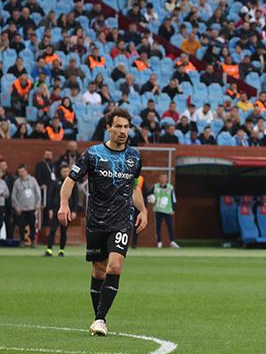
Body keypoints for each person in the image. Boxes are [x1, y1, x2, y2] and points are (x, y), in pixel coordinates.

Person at [58, 108, 147, 337]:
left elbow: (135, 186)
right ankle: (97, 316)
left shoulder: (135, 157)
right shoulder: (93, 154)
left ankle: (100, 319)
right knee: (98, 272)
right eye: (118, 126)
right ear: (108, 127)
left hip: (122, 220)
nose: (123, 131)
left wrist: (143, 210)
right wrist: (64, 204)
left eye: (126, 127)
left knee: (114, 266)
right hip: (96, 221)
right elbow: (71, 179)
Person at [44, 164, 78, 256]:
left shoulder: (73, 184)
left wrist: (74, 211)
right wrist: (50, 209)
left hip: (67, 210)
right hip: (56, 209)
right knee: (52, 230)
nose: (65, 173)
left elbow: (75, 198)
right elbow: (50, 196)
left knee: (64, 231)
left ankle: (61, 250)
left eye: (67, 171)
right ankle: (49, 250)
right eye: (64, 171)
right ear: (60, 172)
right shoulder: (56, 183)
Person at [11, 164, 41, 246]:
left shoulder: (33, 180)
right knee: (21, 226)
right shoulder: (17, 182)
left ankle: (33, 241)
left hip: (32, 207)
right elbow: (13, 196)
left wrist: (37, 204)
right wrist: (16, 206)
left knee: (32, 225)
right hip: (21, 208)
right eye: (19, 172)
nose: (21, 173)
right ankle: (22, 241)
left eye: (22, 171)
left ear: (26, 171)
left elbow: (38, 193)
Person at [151, 173, 179, 248]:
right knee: (158, 226)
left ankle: (172, 241)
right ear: (159, 178)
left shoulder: (170, 187)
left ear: (166, 179)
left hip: (168, 210)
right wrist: (150, 198)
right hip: (158, 209)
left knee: (170, 226)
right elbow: (149, 194)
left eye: (164, 177)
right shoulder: (155, 187)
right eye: (162, 177)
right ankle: (159, 242)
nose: (163, 179)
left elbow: (174, 199)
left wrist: (173, 209)